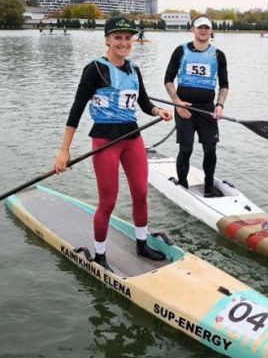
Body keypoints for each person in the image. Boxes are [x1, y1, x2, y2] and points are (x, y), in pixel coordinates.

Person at [53, 17, 173, 271]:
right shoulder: (95, 69)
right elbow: (76, 110)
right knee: (108, 202)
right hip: (106, 142)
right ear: (107, 39)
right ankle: (99, 254)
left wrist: (157, 111)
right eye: (118, 37)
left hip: (132, 139)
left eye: (128, 38)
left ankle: (142, 243)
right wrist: (64, 151)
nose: (124, 43)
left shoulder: (134, 69)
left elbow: (142, 102)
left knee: (141, 193)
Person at [164, 15, 229, 197]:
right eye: (200, 27)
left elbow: (224, 85)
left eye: (206, 28)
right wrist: (177, 103)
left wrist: (219, 105)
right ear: (193, 29)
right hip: (184, 108)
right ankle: (182, 185)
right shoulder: (181, 51)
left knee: (210, 148)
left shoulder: (218, 55)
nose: (203, 31)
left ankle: (208, 187)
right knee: (186, 148)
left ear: (211, 31)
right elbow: (168, 79)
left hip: (207, 109)